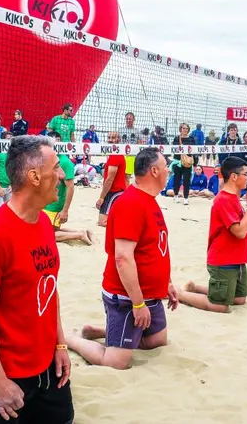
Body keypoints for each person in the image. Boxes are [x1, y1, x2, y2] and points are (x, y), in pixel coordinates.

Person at [0, 135, 73, 423]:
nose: (61, 176)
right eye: (56, 168)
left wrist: (60, 345)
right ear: (35, 176)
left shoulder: (45, 223)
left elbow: (49, 290)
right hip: (7, 371)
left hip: (48, 366)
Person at [67, 148, 178, 370]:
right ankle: (72, 339)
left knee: (157, 342)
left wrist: (166, 283)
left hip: (150, 293)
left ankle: (99, 331)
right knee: (117, 362)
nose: (169, 171)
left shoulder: (150, 199)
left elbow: (155, 247)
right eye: (166, 167)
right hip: (126, 297)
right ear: (154, 171)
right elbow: (123, 258)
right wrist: (137, 303)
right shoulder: (131, 203)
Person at [177, 157, 247, 311]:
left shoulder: (233, 197)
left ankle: (195, 287)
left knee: (239, 299)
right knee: (219, 306)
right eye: (246, 174)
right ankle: (180, 294)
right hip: (223, 259)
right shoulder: (223, 200)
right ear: (234, 176)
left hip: (237, 259)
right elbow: (240, 232)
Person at [44, 131, 93, 245]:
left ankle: (79, 235)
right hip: (46, 203)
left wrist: (65, 211)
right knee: (49, 230)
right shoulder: (47, 158)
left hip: (54, 205)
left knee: (48, 234)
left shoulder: (65, 162)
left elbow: (70, 188)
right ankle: (82, 231)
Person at [96, 132, 127, 227]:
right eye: (109, 137)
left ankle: (126, 224)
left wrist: (101, 197)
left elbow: (110, 179)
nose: (110, 140)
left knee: (102, 222)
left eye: (113, 138)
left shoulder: (115, 155)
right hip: (116, 191)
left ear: (118, 140)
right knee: (104, 220)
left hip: (114, 192)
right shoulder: (113, 154)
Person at [172, 122, 197, 205]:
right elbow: (173, 149)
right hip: (178, 162)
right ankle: (175, 195)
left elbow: (194, 150)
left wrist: (195, 163)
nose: (185, 130)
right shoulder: (176, 138)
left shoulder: (191, 139)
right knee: (177, 180)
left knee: (186, 180)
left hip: (187, 163)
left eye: (186, 128)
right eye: (183, 128)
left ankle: (186, 198)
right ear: (180, 129)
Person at [120, 112, 140, 185]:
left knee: (134, 175)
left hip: (133, 155)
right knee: (125, 176)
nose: (128, 120)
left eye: (130, 119)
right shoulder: (121, 130)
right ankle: (126, 191)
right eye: (127, 119)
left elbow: (139, 143)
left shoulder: (137, 131)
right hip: (123, 155)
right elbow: (118, 142)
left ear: (134, 120)